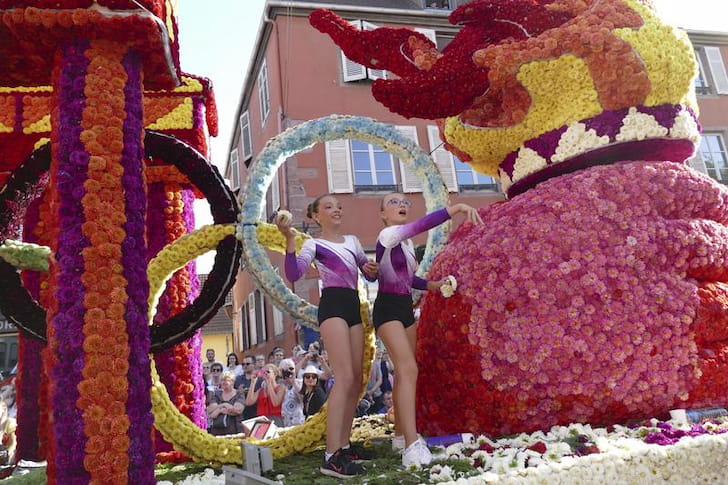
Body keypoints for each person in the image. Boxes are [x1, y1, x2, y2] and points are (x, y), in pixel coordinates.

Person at [374, 193, 482, 467]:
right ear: (383, 214)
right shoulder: (389, 235)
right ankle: (412, 445)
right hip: (387, 309)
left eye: (405, 202)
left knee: (405, 372)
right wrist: (455, 207)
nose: (401, 206)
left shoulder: (407, 245)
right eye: (394, 203)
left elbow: (409, 279)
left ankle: (400, 435)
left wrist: (436, 285)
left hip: (404, 309)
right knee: (408, 369)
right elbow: (420, 226)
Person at [277, 194, 378, 478]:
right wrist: (289, 240)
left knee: (356, 379)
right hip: (332, 305)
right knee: (344, 377)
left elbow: (367, 274)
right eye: (329, 207)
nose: (336, 210)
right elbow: (294, 273)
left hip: (352, 306)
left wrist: (371, 269)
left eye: (339, 206)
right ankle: (330, 455)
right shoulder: (314, 244)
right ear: (316, 216)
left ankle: (344, 446)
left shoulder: (354, 242)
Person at [207, 371, 245, 436]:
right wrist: (223, 406)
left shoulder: (239, 394)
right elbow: (210, 411)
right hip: (217, 431)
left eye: (226, 380)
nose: (223, 382)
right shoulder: (217, 394)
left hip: (235, 431)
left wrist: (218, 410)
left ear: (232, 381)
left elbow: (238, 410)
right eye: (222, 380)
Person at [235, 355, 263, 420]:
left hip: (256, 414)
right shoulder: (237, 379)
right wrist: (239, 392)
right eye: (243, 364)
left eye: (247, 364)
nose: (245, 366)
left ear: (254, 364)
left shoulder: (260, 380)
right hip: (241, 415)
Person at [278, 359, 304, 427]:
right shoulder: (280, 385)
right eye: (285, 370)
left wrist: (294, 382)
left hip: (298, 421)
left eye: (291, 369)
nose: (288, 372)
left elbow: (302, 399)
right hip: (285, 422)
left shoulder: (300, 382)